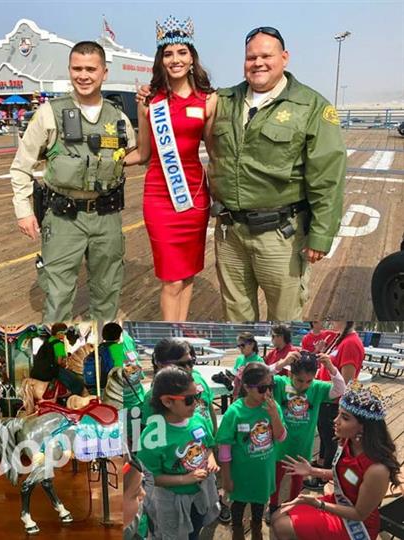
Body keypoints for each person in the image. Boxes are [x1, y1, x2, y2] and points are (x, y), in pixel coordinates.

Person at [207, 27, 347, 320]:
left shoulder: (311, 106)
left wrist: (321, 235)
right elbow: (180, 108)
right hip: (229, 233)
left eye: (266, 56)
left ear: (284, 58)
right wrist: (150, 93)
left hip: (280, 236)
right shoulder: (223, 100)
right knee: (236, 317)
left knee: (284, 319)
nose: (258, 63)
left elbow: (327, 178)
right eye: (251, 57)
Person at [9, 40, 135, 323]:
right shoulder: (48, 114)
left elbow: (132, 153)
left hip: (107, 218)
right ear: (69, 70)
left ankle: (99, 356)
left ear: (104, 72)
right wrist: (24, 211)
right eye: (77, 68)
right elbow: (21, 166)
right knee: (57, 297)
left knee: (107, 292)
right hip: (64, 218)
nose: (83, 75)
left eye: (91, 68)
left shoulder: (119, 118)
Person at [123, 16, 216, 322]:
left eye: (181, 53)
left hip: (195, 197)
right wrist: (106, 159)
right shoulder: (150, 101)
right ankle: (170, 340)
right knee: (171, 279)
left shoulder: (209, 100)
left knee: (188, 275)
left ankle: (181, 329)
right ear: (161, 60)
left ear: (192, 58)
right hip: (161, 197)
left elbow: (215, 154)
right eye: (168, 54)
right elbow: (144, 152)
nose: (175, 59)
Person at [272, 383, 401, 539]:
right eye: (338, 414)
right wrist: (312, 471)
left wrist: (318, 504)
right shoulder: (347, 442)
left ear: (363, 427)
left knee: (281, 526)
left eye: (344, 417)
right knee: (277, 516)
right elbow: (345, 475)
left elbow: (359, 514)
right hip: (338, 502)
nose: (335, 420)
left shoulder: (377, 469)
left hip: (356, 524)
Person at [139, 366, 220, 540]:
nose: (197, 403)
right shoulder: (152, 437)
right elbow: (150, 478)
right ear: (167, 401)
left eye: (197, 396)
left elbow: (208, 446)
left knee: (195, 530)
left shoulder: (198, 419)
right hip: (172, 502)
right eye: (189, 399)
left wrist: (210, 458)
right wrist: (184, 479)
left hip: (199, 496)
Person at [267, 350, 346, 518]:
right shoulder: (280, 383)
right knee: (276, 479)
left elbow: (340, 389)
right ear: (290, 373)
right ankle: (273, 505)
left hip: (303, 445)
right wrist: (281, 363)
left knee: (297, 480)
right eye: (299, 380)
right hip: (280, 444)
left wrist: (331, 368)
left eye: (308, 380)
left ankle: (293, 507)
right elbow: (261, 376)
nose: (303, 385)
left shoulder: (317, 388)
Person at [216, 362, 286, 540]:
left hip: (263, 473)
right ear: (247, 387)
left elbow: (281, 437)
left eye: (271, 387)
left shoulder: (273, 408)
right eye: (262, 388)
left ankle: (256, 531)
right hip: (240, 474)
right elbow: (224, 445)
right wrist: (226, 477)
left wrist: (274, 416)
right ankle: (237, 532)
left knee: (258, 507)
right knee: (238, 507)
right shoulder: (235, 412)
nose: (268, 393)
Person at [306, 321, 365, 491]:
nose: (330, 320)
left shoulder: (351, 343)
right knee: (325, 437)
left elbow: (346, 382)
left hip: (333, 402)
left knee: (331, 440)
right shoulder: (340, 337)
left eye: (336, 317)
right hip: (326, 399)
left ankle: (324, 478)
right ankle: (322, 463)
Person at [30, 323, 85, 396]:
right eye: (64, 333)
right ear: (59, 333)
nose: (65, 335)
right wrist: (65, 365)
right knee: (77, 383)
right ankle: (71, 399)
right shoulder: (59, 344)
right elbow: (59, 362)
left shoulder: (47, 341)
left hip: (37, 371)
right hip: (51, 371)